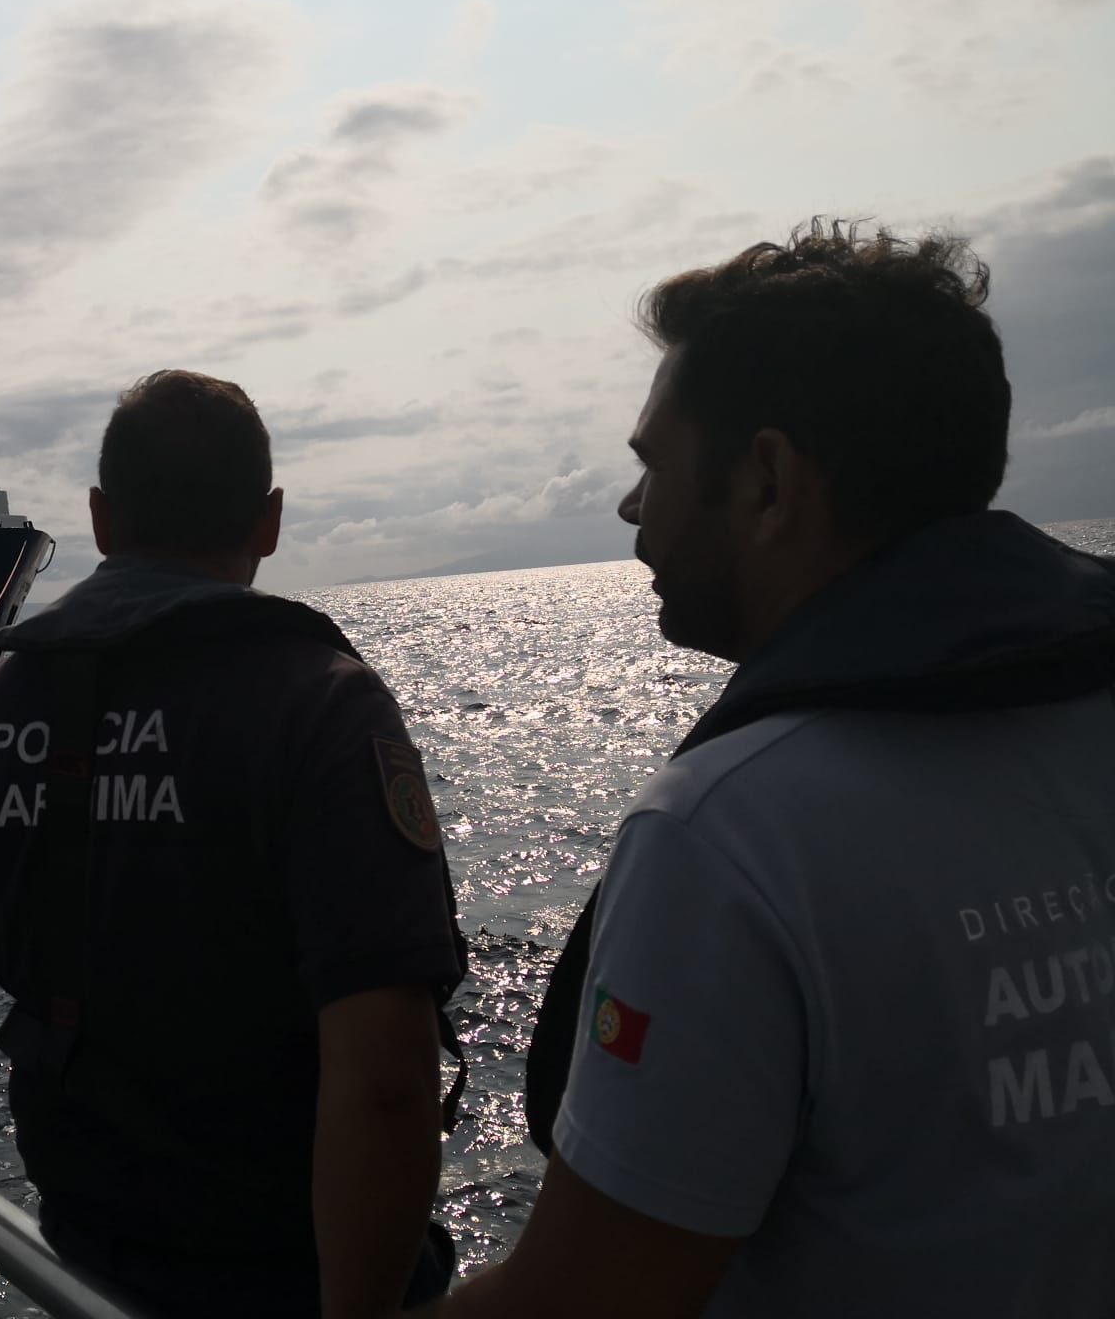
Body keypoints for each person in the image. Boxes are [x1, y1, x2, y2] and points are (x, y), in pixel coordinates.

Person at [426, 221, 1115, 1317]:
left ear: (766, 479)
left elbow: (580, 1304)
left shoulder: (732, 832)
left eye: (652, 463)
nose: (629, 506)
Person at [0, 369, 469, 1318]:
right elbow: (389, 1076)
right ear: (269, 522)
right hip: (300, 1275)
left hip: (86, 1265)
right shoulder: (324, 703)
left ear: (101, 519)